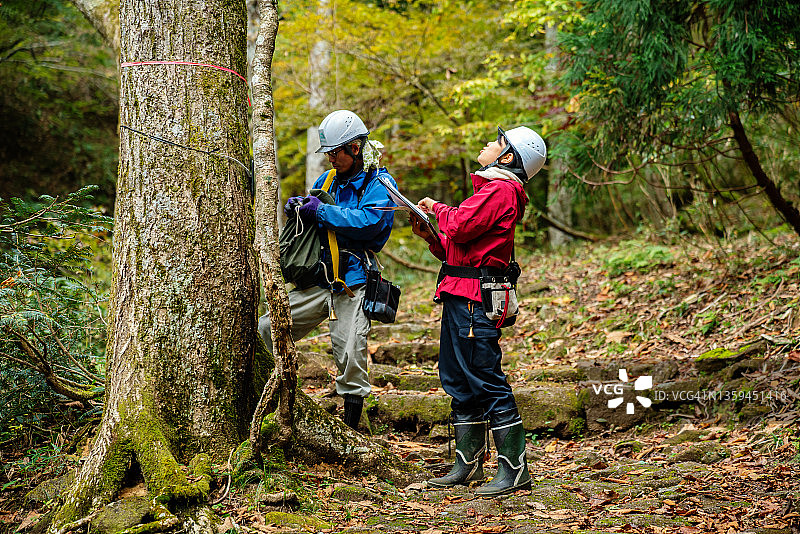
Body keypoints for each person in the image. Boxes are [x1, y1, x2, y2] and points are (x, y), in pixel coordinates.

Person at [410, 125, 546, 497]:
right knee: (457, 379)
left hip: (474, 301)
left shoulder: (501, 190)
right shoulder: (491, 190)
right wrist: (430, 236)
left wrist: (435, 208)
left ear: (508, 157)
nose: (488, 144)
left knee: (486, 378)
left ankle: (515, 470)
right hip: (459, 292)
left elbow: (460, 223)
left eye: (496, 142)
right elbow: (458, 247)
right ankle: (466, 465)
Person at [258, 110, 397, 430]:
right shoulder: (327, 180)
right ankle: (273, 396)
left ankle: (351, 429)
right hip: (319, 279)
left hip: (353, 282)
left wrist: (322, 212)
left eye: (335, 152)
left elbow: (371, 224)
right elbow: (314, 210)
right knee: (268, 328)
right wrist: (300, 207)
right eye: (328, 153)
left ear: (355, 149)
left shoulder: (380, 183)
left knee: (350, 355)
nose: (330, 158)